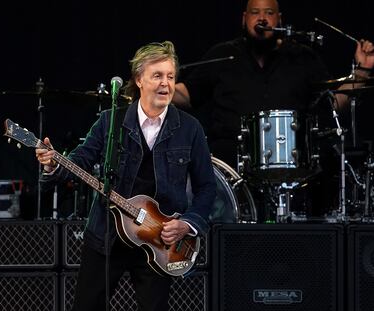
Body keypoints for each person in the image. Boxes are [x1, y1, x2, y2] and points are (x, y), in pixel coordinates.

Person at [35, 41, 216, 311]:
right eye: (157, 76)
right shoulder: (111, 121)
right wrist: (53, 164)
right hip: (107, 237)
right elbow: (80, 161)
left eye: (170, 76)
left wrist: (187, 224)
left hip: (159, 241)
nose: (165, 83)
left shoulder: (189, 128)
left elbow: (207, 188)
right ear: (139, 80)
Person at [173, 0, 374, 220]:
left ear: (279, 19)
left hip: (294, 173)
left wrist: (362, 71)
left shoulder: (302, 57)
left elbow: (332, 104)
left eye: (269, 12)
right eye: (255, 12)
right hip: (229, 168)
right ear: (244, 18)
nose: (262, 18)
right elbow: (187, 94)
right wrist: (156, 86)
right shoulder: (223, 54)